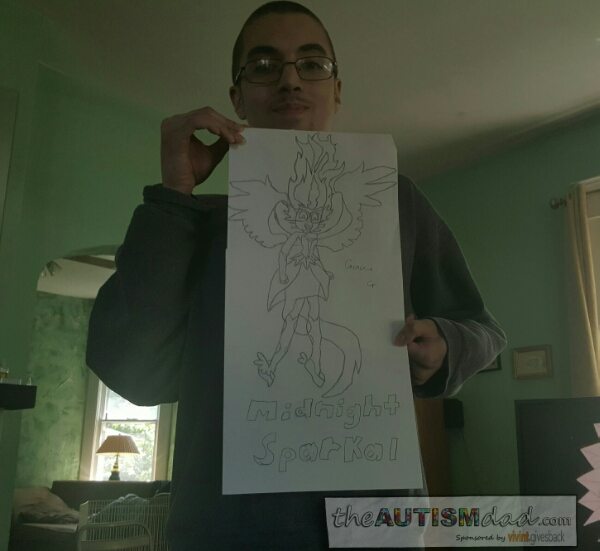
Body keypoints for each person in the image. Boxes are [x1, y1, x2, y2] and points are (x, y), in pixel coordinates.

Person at [86, 2, 506, 549]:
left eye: (312, 64)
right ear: (237, 97)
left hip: (374, 523)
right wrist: (173, 195)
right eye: (264, 66)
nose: (290, 80)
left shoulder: (395, 201)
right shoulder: (189, 223)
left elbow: (483, 329)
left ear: (337, 89)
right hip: (227, 529)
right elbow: (134, 372)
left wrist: (445, 345)